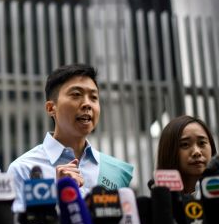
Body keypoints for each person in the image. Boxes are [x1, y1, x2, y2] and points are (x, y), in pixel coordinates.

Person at [8, 64, 134, 212]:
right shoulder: (23, 169)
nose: (87, 104)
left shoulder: (117, 171)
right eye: (76, 95)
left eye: (94, 97)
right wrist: (58, 193)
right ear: (50, 108)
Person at [156, 114, 217, 194]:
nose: (197, 152)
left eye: (202, 143)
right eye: (185, 144)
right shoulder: (159, 203)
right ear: (169, 152)